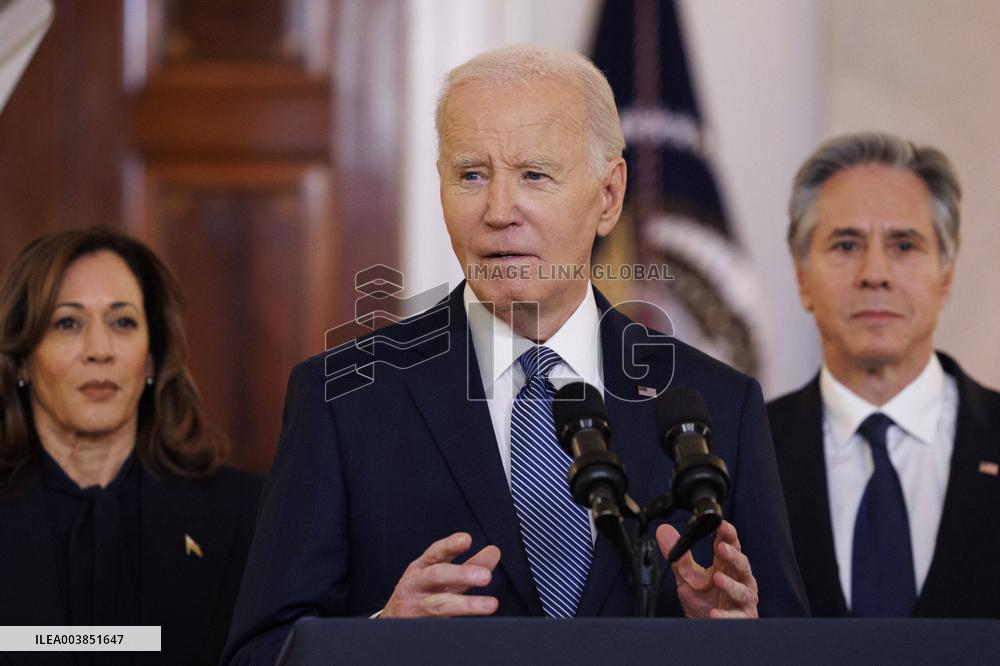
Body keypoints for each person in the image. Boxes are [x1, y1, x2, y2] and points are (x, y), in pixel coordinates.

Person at [223, 45, 807, 664]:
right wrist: (377, 635)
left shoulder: (718, 405)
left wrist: (739, 638)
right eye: (471, 175)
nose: (499, 212)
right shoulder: (344, 396)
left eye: (534, 175)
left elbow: (794, 648)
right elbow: (257, 652)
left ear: (609, 196)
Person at [0, 227, 262, 664]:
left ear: (153, 356)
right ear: (22, 358)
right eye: (68, 323)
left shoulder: (249, 516)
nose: (99, 350)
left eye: (122, 322)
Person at [768, 131, 1000, 617]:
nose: (875, 273)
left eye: (904, 245)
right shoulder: (745, 450)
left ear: (946, 276)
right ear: (802, 277)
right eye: (847, 244)